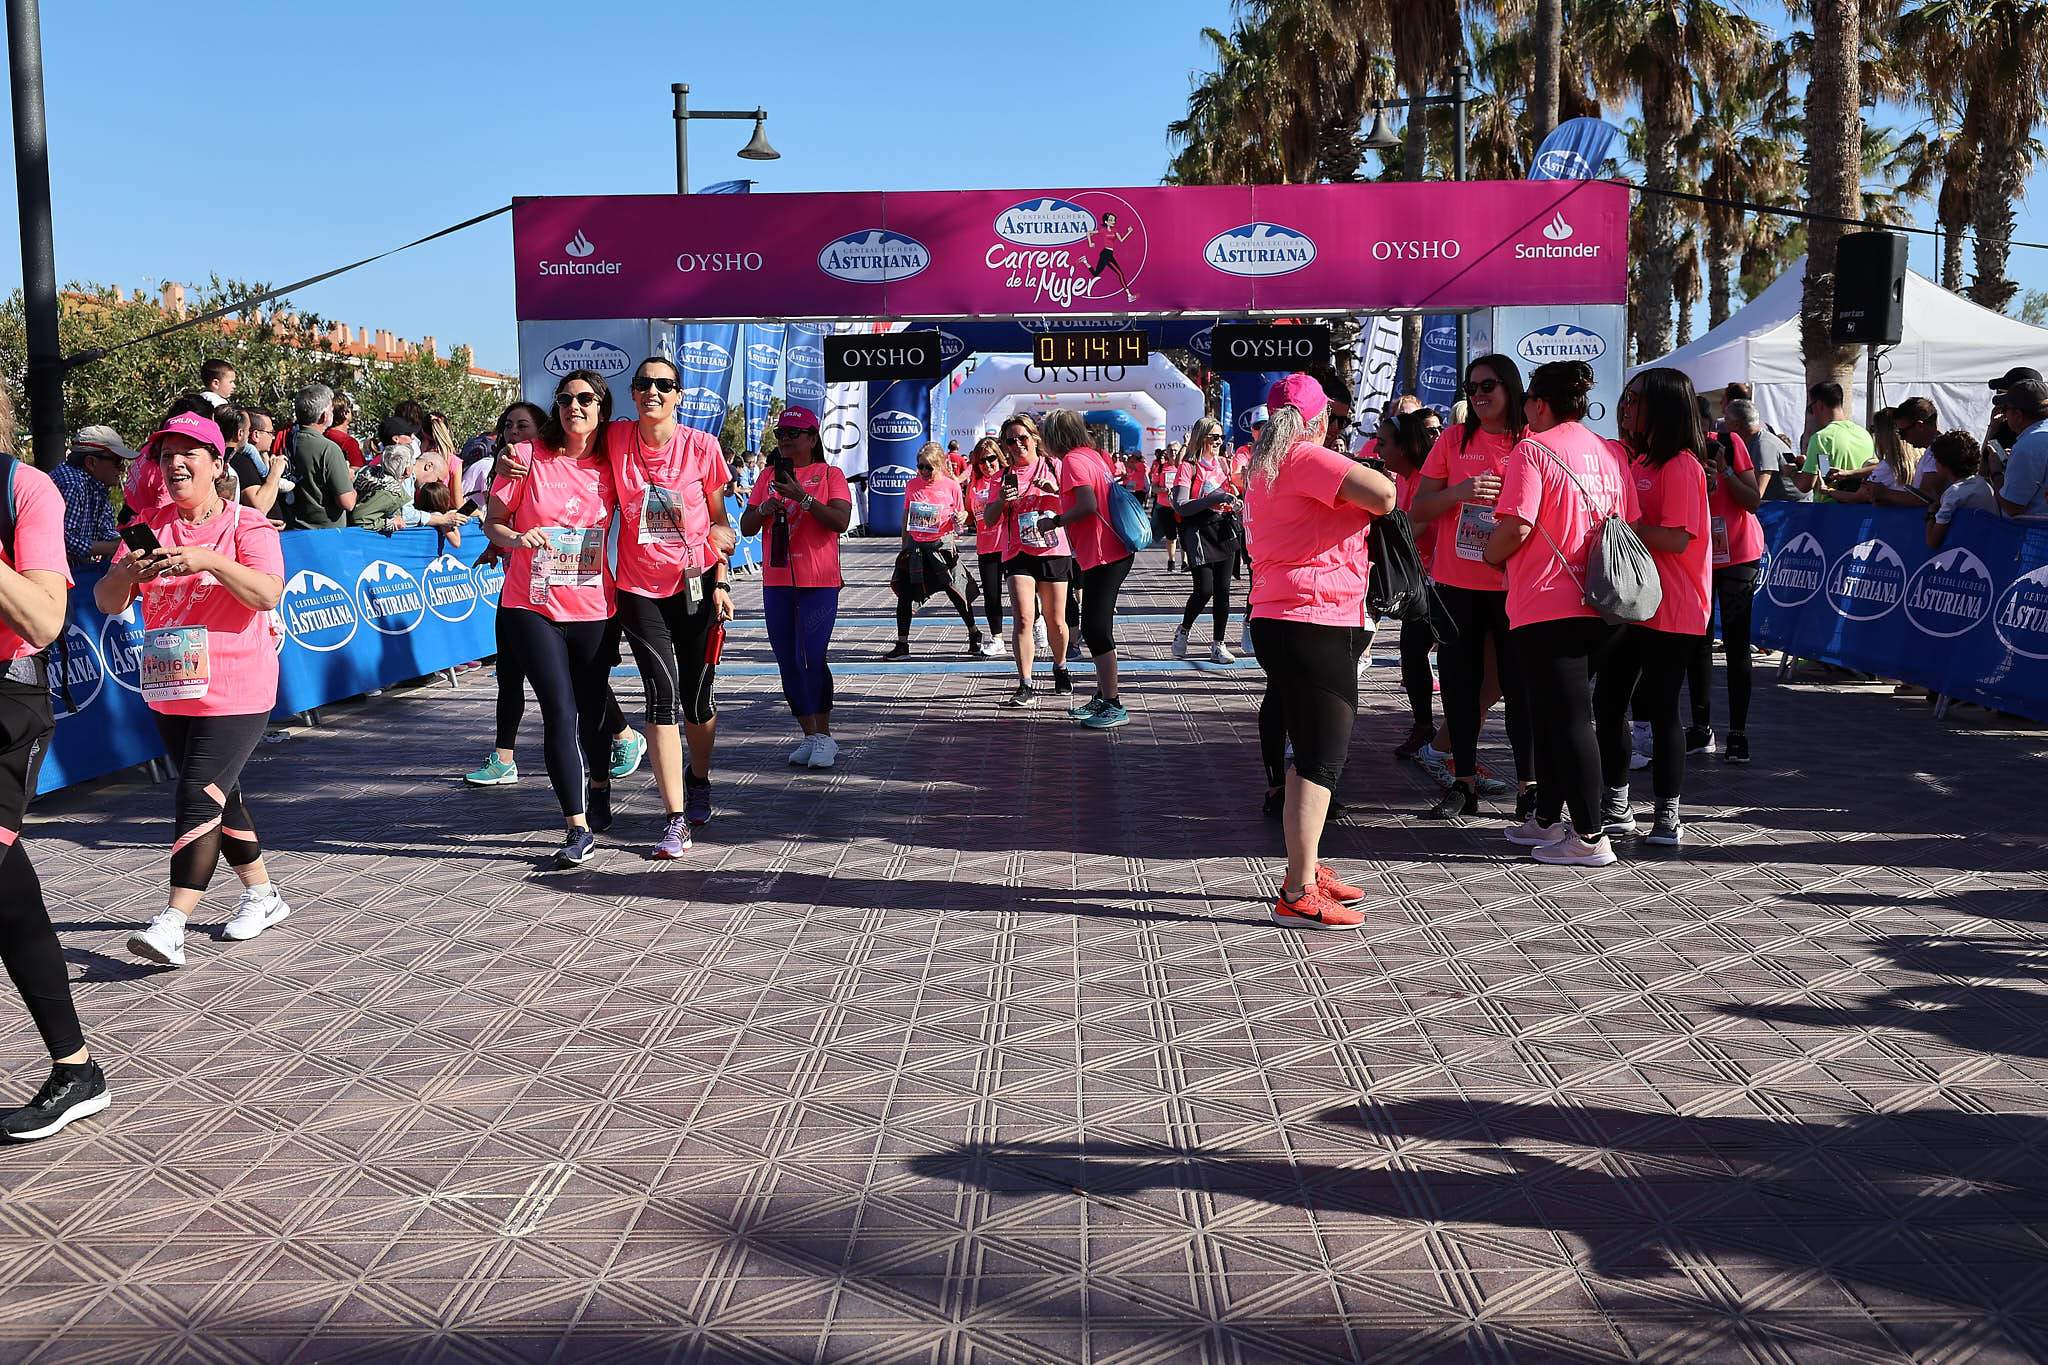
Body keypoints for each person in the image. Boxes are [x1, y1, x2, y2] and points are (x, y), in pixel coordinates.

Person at [95, 413, 292, 966]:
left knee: (196, 795)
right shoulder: (148, 524)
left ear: (217, 463)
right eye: (165, 456)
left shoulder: (246, 526)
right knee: (220, 795)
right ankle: (262, 894)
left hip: (237, 686)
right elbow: (109, 603)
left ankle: (172, 921)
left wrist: (208, 560)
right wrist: (127, 574)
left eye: (189, 454)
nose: (175, 465)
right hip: (170, 685)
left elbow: (267, 594)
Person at [1243, 374, 1395, 929]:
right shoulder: (1306, 457)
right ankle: (1297, 888)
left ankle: (1304, 867)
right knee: (1321, 757)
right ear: (1317, 419)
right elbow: (1385, 496)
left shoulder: (1265, 466)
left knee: (1311, 748)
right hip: (1313, 620)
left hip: (1284, 616)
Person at [0, 392, 109, 1141]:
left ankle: (76, 1070)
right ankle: (75, 1068)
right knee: (8, 891)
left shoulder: (24, 489)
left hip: (4, 704)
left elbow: (43, 620)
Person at [1482, 359, 1637, 867]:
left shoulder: (1532, 450)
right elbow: (1628, 519)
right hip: (1605, 601)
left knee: (1569, 720)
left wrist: (1489, 552)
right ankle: (1547, 819)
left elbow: (1517, 526)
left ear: (1539, 404)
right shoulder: (1609, 451)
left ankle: (1592, 837)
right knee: (1552, 715)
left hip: (1550, 602)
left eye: (1527, 401)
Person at [462, 400, 643, 790]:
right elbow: (498, 520)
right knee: (519, 680)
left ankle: (622, 739)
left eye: (523, 426)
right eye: (508, 425)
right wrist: (505, 542)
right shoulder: (514, 463)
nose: (513, 434)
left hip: (585, 601)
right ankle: (505, 756)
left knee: (583, 687)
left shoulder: (597, 460)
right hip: (524, 598)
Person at [482, 369, 620, 868]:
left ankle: (599, 786)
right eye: (564, 399)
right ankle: (575, 826)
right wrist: (517, 539)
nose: (573, 406)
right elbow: (492, 523)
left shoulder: (613, 462)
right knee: (559, 711)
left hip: (594, 607)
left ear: (601, 407)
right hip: (530, 604)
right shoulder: (523, 458)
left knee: (593, 707)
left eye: (585, 399)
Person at [608, 356, 738, 857]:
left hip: (697, 584)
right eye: (643, 384)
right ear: (634, 393)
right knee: (661, 696)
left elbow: (719, 520)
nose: (652, 392)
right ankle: (675, 817)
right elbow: (567, 447)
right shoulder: (617, 440)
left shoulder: (701, 447)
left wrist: (722, 582)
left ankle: (699, 776)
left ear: (678, 395)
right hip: (639, 591)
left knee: (698, 701)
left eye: (663, 385)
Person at [1408, 354, 1533, 821]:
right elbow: (1419, 510)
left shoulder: (1531, 441)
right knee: (1460, 687)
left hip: (1515, 585)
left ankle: (1529, 786)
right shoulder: (1454, 440)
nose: (1479, 395)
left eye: (1489, 387)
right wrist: (1459, 493)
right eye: (1472, 387)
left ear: (1511, 389)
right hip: (1456, 584)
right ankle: (1463, 782)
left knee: (1520, 687)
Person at [1596, 369, 1713, 847]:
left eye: (1636, 400)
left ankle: (1667, 814)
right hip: (1632, 604)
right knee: (1608, 702)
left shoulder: (1682, 466)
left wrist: (1620, 526)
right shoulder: (1640, 461)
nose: (1627, 407)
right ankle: (1618, 804)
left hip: (1676, 608)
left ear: (1662, 406)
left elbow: (1678, 538)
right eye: (1626, 399)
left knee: (1662, 710)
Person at [741, 406, 853, 768]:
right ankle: (809, 734)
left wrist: (803, 498)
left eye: (794, 433)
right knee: (786, 658)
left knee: (813, 656)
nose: (786, 439)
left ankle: (825, 734)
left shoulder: (829, 473)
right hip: (777, 579)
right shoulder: (768, 476)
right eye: (780, 434)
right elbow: (746, 526)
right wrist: (766, 507)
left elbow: (839, 520)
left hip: (818, 580)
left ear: (812, 437)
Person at [1042, 408, 1137, 728]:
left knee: (1096, 629)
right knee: (1096, 626)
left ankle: (1113, 702)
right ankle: (1102, 696)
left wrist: (1054, 521)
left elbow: (1087, 506)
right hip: (1110, 551)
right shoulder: (1094, 456)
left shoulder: (1071, 461)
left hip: (1103, 554)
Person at [1684, 406, 1765, 765]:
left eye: (1703, 427)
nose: (1701, 436)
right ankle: (1701, 729)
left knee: (1736, 642)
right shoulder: (1675, 452)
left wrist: (1726, 472)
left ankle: (1738, 733)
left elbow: (1752, 500)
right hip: (1697, 555)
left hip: (1738, 554)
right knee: (1697, 644)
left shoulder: (1730, 443)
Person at [983, 413, 1072, 708]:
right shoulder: (1001, 477)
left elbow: (1076, 504)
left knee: (1055, 621)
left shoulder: (1054, 466)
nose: (1018, 444)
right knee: (1023, 618)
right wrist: (1002, 502)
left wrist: (1055, 492)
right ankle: (1025, 683)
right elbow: (989, 519)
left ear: (1035, 437)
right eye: (1011, 440)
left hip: (1051, 550)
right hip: (1017, 551)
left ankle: (1060, 668)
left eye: (1023, 438)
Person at [885, 443, 982, 660]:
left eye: (929, 467)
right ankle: (902, 644)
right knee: (905, 595)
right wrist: (904, 546)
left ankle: (974, 633)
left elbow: (962, 515)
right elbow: (906, 516)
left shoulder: (951, 486)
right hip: (917, 548)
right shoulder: (912, 486)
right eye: (921, 467)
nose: (925, 472)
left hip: (942, 547)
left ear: (939, 465)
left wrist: (960, 519)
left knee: (957, 593)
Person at [1167, 416, 1240, 666]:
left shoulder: (1223, 463)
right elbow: (1183, 506)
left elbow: (1230, 493)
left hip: (1223, 528)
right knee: (1205, 589)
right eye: (1214, 437)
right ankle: (1184, 629)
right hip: (1198, 531)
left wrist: (1233, 500)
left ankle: (1218, 645)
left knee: (1223, 591)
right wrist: (1212, 499)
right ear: (1201, 438)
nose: (1219, 441)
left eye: (1221, 437)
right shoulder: (1188, 466)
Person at [51, 425, 134, 565]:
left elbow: (106, 531)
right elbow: (65, 540)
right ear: (91, 462)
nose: (122, 468)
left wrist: (130, 542)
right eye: (118, 461)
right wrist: (115, 547)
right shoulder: (72, 484)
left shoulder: (97, 485)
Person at [278, 383, 356, 531]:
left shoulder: (288, 440)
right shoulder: (329, 449)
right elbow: (348, 502)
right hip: (325, 533)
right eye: (331, 409)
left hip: (293, 529)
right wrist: (349, 480)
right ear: (324, 416)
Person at [964, 438, 1008, 656]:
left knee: (1025, 593)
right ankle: (997, 638)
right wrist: (960, 518)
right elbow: (970, 516)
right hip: (986, 546)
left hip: (1009, 544)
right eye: (982, 461)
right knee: (992, 595)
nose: (987, 464)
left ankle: (1037, 623)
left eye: (991, 459)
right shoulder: (974, 485)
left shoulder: (1007, 477)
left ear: (999, 458)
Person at [1794, 382, 1873, 501]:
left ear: (1819, 405)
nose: (1813, 414)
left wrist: (1791, 473)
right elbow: (1825, 471)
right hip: (1859, 509)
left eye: (1810, 409)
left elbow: (1805, 485)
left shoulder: (1821, 438)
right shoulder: (1864, 434)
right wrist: (1808, 464)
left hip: (1829, 510)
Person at [1925, 431, 2000, 548]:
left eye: (1936, 459)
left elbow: (1933, 541)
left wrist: (1931, 514)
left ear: (1945, 464)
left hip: (1975, 551)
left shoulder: (1953, 494)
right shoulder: (1983, 483)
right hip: (1989, 547)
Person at [1996, 378, 2048, 518]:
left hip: (2033, 533)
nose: (2004, 415)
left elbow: (2012, 507)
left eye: (2005, 409)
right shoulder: (2036, 439)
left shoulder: (2028, 446)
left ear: (2018, 415)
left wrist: (1996, 474)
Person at [1725, 400, 1795, 501]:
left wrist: (1727, 473)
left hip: (1791, 509)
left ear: (1736, 425)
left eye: (1726, 419)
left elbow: (1755, 496)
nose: (1724, 424)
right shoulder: (1754, 440)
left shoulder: (1762, 444)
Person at [229, 409, 287, 517]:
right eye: (271, 433)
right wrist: (275, 472)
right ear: (256, 435)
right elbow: (260, 507)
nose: (273, 437)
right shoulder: (242, 461)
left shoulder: (252, 460)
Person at [1150, 444, 1182, 571]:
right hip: (1165, 506)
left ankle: (1185, 561)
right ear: (1167, 453)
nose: (1173, 453)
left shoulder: (1183, 466)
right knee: (1171, 535)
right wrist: (1164, 489)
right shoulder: (1161, 467)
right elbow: (1154, 487)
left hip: (1181, 506)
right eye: (1171, 450)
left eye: (1175, 450)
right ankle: (1171, 560)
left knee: (1184, 535)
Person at [326, 393, 365, 470]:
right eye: (350, 407)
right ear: (345, 413)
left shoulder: (324, 434)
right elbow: (357, 469)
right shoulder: (349, 442)